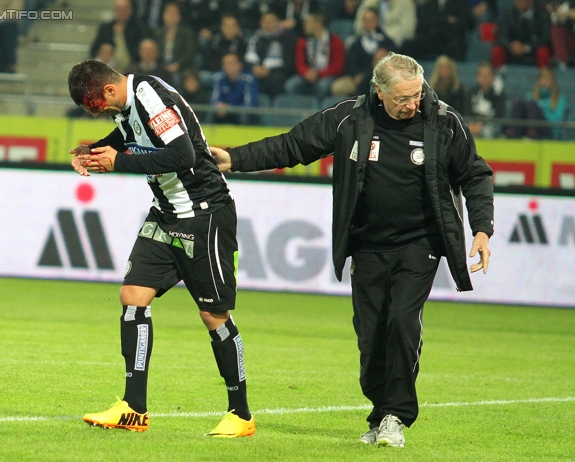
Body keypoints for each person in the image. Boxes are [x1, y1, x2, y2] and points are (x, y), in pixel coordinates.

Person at [210, 52, 493, 448]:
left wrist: (482, 229)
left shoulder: (444, 121)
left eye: (417, 95)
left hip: (422, 244)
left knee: (402, 321)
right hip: (367, 245)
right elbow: (293, 146)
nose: (412, 104)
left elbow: (475, 175)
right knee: (371, 333)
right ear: (379, 92)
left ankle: (397, 415)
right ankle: (380, 412)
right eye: (402, 98)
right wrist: (235, 158)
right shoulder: (349, 119)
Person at [66, 59, 255, 438]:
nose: (96, 114)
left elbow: (182, 155)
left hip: (205, 216)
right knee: (132, 295)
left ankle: (241, 414)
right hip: (166, 215)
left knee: (213, 317)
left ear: (107, 90)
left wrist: (119, 162)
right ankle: (134, 408)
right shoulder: (128, 106)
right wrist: (93, 149)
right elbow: (127, 135)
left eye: (94, 107)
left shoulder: (149, 95)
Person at [331, 7, 395, 97]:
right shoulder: (355, 43)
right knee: (338, 87)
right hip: (356, 79)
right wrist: (356, 76)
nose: (368, 23)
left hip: (381, 78)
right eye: (365, 20)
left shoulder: (387, 43)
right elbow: (350, 63)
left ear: (377, 21)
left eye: (371, 20)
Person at [284, 12, 346, 99]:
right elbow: (299, 63)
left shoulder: (335, 41)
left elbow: (337, 67)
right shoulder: (302, 41)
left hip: (327, 76)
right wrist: (307, 73)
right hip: (307, 75)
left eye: (308, 22)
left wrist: (318, 74)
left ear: (318, 24)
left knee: (322, 86)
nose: (305, 25)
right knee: (291, 85)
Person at [244, 10, 297, 97]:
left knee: (276, 80)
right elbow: (248, 57)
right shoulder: (255, 38)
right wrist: (254, 67)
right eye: (266, 21)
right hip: (256, 70)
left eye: (271, 21)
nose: (268, 24)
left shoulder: (286, 38)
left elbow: (289, 62)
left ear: (278, 22)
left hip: (278, 71)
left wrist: (269, 70)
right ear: (261, 23)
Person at [505, 66, 567, 139]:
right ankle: (513, 131)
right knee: (518, 101)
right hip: (527, 125)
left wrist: (539, 111)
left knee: (532, 104)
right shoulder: (530, 95)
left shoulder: (560, 98)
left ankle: (533, 132)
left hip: (547, 128)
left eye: (548, 79)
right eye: (543, 78)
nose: (545, 81)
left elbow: (557, 119)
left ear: (553, 82)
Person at [90, 0, 151, 74]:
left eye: (125, 9)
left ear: (131, 10)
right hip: (108, 69)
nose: (121, 12)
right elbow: (94, 50)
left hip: (133, 70)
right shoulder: (106, 28)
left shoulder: (140, 28)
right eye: (119, 9)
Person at [491, 0, 551, 69]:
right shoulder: (508, 13)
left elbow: (545, 37)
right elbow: (502, 35)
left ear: (531, 1)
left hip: (533, 48)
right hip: (512, 48)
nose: (518, 2)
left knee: (543, 52)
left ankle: (544, 77)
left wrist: (526, 47)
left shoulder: (542, 14)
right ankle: (497, 75)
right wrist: (511, 45)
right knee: (497, 51)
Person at [153, 2, 197, 86]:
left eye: (174, 14)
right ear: (163, 15)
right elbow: (155, 52)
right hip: (161, 67)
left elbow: (189, 52)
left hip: (181, 68)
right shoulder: (157, 33)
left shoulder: (186, 33)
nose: (171, 16)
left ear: (179, 16)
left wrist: (177, 65)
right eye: (168, 13)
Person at [210, 52, 259, 125]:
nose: (228, 66)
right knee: (212, 113)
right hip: (223, 112)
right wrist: (219, 105)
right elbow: (214, 99)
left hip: (240, 112)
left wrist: (231, 108)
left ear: (240, 65)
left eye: (231, 63)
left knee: (245, 116)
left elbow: (250, 104)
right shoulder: (217, 77)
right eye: (225, 64)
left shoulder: (248, 79)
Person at [466, 62, 506, 138]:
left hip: (492, 125)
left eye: (487, 75)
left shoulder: (499, 94)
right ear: (476, 77)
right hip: (472, 124)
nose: (484, 78)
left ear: (493, 77)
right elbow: (466, 111)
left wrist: (481, 125)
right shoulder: (470, 93)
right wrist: (471, 124)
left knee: (487, 131)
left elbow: (499, 115)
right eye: (481, 75)